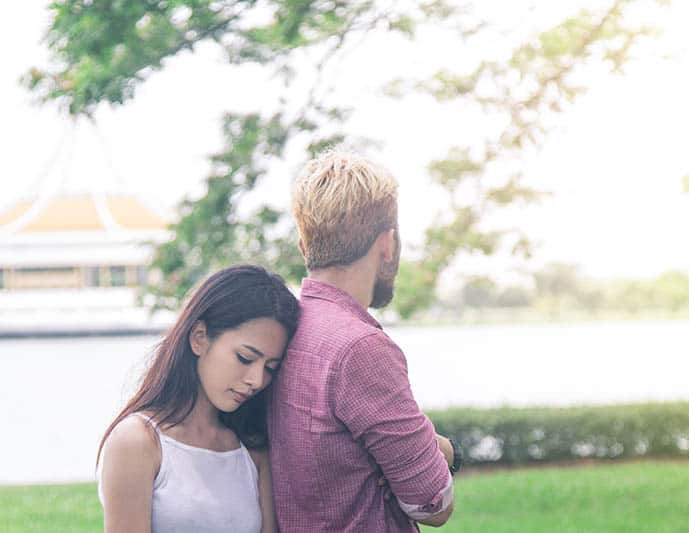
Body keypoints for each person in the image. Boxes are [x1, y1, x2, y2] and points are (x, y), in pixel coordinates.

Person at [269, 151, 460, 532]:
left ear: (304, 246)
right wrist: (445, 451)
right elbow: (432, 503)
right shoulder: (360, 348)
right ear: (387, 243)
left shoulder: (283, 327)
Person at [97, 264, 299, 533]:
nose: (257, 380)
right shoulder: (139, 442)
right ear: (199, 338)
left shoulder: (252, 449)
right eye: (245, 358)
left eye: (270, 368)